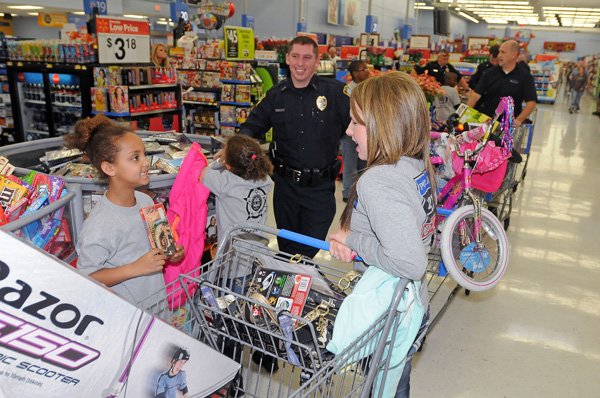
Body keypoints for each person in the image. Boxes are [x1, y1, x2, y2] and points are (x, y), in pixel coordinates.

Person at [328, 72, 435, 397]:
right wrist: (351, 230)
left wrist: (354, 241)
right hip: (411, 303)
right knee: (395, 380)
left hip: (387, 314)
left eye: (356, 123)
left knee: (383, 388)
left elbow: (408, 261)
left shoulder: (379, 180)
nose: (348, 131)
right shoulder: (414, 165)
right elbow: (400, 222)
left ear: (382, 125)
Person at [239, 35, 350, 258]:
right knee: (287, 250)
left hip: (320, 190)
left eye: (307, 57)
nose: (301, 63)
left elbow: (362, 124)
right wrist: (235, 154)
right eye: (296, 57)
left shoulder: (336, 93)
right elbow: (250, 129)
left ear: (317, 61)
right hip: (285, 190)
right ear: (287, 59)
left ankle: (299, 283)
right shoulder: (275, 96)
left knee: (308, 251)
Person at [67, 115, 184, 305]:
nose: (146, 162)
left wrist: (172, 252)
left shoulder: (146, 201)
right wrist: (135, 268)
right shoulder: (99, 224)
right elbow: (87, 277)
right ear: (109, 168)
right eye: (135, 158)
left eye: (144, 155)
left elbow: (156, 249)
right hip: (127, 317)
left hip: (156, 305)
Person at [467, 40, 537, 128]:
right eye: (499, 51)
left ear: (514, 55)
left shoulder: (525, 76)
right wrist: (467, 114)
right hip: (486, 122)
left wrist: (519, 120)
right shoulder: (489, 73)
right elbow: (475, 96)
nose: (499, 55)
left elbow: (531, 102)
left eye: (503, 52)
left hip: (508, 126)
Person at [341, 60, 369, 201]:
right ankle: (348, 193)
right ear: (355, 73)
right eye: (364, 69)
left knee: (363, 164)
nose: (367, 71)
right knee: (351, 164)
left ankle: (360, 192)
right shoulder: (349, 91)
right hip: (350, 134)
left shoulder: (366, 88)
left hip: (364, 133)